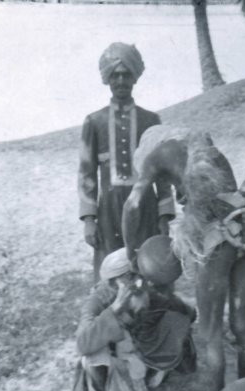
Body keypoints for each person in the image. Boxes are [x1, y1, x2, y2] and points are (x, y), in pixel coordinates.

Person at [121, 125, 245, 391]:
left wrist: (130, 251)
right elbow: (228, 199)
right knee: (243, 323)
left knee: (211, 332)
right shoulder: (202, 149)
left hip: (216, 241)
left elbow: (132, 206)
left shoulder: (156, 156)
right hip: (243, 234)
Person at [77, 42, 175, 282]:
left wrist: (164, 216)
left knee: (150, 269)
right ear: (108, 79)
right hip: (109, 209)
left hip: (145, 207)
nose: (121, 81)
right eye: (116, 75)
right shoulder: (94, 121)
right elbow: (86, 173)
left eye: (126, 75)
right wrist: (89, 220)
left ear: (135, 78)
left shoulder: (151, 120)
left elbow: (162, 174)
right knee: (111, 271)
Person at [71, 247, 196, 391]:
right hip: (114, 366)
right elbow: (82, 344)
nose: (138, 280)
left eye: (138, 275)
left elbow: (188, 312)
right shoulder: (96, 302)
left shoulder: (142, 292)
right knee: (91, 356)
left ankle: (148, 378)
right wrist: (114, 310)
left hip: (139, 358)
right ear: (113, 282)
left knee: (175, 320)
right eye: (130, 277)